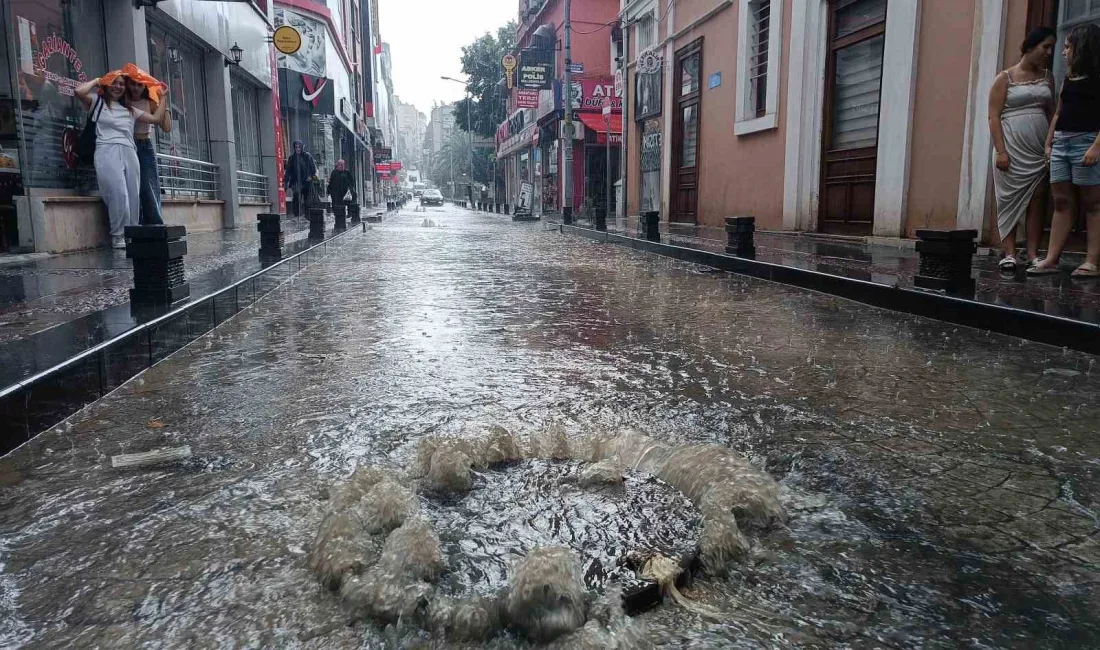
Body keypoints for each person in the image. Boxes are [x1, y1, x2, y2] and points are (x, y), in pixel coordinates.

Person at [1030, 24, 1100, 278]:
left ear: (1082, 48)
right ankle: (1051, 259)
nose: (1063, 52)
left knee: (1093, 204)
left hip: (1087, 142)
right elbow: (1059, 112)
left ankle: (1092, 261)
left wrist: (1095, 147)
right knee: (1061, 202)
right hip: (1062, 142)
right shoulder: (1069, 78)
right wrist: (1049, 142)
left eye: (1068, 47)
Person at [988, 27, 1056, 272]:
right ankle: (1009, 252)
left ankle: (1032, 253)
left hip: (1039, 149)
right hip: (1011, 148)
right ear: (1030, 47)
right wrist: (1001, 151)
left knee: (1038, 201)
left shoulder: (1048, 77)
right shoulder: (1004, 78)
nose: (1049, 52)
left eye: (1052, 47)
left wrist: (1051, 143)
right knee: (1008, 200)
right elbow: (993, 117)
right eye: (1045, 47)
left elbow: (1053, 113)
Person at [75, 72, 168, 249]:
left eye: (120, 84)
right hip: (106, 150)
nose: (118, 87)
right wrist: (97, 80)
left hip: (129, 151)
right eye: (114, 83)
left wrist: (162, 99)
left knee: (133, 194)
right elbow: (79, 92)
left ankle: (132, 233)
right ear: (107, 85)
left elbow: (156, 120)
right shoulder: (97, 102)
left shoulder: (130, 109)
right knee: (119, 193)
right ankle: (118, 235)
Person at [124, 65, 172, 225]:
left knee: (148, 186)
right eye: (132, 83)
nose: (135, 87)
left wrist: (163, 102)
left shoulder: (149, 102)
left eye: (139, 84)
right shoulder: (123, 102)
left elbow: (166, 128)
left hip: (144, 145)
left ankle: (155, 224)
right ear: (127, 84)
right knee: (131, 187)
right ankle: (135, 224)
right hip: (128, 146)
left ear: (144, 85)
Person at [285, 141, 317, 218]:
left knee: (307, 200)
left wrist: (310, 178)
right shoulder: (292, 158)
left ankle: (308, 217)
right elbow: (288, 171)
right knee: (296, 198)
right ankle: (297, 216)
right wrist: (286, 181)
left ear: (302, 147)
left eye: (299, 147)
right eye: (296, 147)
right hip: (296, 182)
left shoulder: (307, 156)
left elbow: (313, 169)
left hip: (306, 182)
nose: (297, 149)